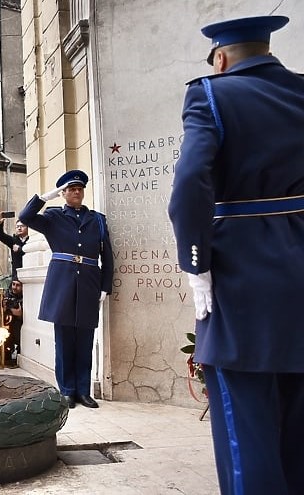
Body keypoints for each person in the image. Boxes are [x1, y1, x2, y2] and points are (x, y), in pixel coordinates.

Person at [167, 15, 304, 495]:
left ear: (220, 58)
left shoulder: (211, 93)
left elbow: (189, 187)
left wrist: (196, 263)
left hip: (242, 279)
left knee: (246, 432)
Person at [18, 169, 113, 409]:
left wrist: (105, 286)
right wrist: (44, 197)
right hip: (62, 284)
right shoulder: (52, 217)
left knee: (85, 340)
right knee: (64, 340)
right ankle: (67, 390)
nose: (76, 193)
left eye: (79, 189)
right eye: (71, 189)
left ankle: (83, 390)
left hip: (89, 282)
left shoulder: (97, 220)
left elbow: (107, 256)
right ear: (64, 194)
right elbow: (26, 216)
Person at [0, 277, 23, 367]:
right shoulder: (6, 294)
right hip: (6, 323)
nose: (14, 287)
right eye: (13, 284)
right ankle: (5, 356)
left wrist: (10, 310)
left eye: (18, 285)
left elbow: (20, 314)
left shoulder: (25, 296)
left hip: (18, 324)